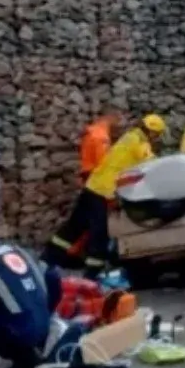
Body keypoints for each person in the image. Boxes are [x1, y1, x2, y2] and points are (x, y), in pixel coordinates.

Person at [44, 114, 167, 277]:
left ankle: (47, 258)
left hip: (93, 186)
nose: (156, 139)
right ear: (152, 132)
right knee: (99, 234)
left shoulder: (129, 137)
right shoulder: (140, 143)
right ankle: (92, 273)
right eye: (157, 135)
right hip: (104, 191)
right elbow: (151, 163)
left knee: (74, 226)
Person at [80, 106, 123, 183]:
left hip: (88, 173)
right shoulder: (101, 136)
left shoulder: (94, 130)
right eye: (118, 119)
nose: (119, 123)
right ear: (111, 117)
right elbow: (103, 162)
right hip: (94, 176)